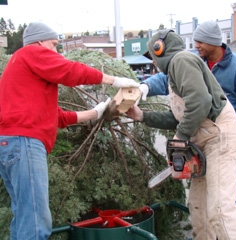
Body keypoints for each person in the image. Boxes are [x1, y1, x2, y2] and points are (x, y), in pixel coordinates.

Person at [0, 22, 139, 240]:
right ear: (39, 42)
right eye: (53, 45)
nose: (56, 51)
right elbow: (69, 70)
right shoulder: (31, 52)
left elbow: (58, 117)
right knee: (36, 222)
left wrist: (95, 112)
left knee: (24, 216)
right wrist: (114, 80)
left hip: (12, 144)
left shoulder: (22, 69)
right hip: (24, 142)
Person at [128, 30, 236, 239]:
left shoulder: (181, 60)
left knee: (221, 211)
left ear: (160, 50)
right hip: (205, 143)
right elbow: (180, 117)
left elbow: (201, 102)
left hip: (219, 137)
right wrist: (142, 116)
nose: (154, 63)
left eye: (154, 56)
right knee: (198, 209)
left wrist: (181, 136)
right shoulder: (175, 73)